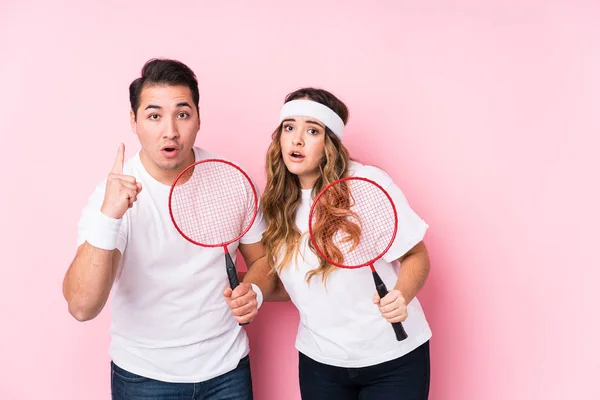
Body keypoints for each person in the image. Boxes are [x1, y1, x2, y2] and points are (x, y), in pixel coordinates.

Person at [62, 58, 266, 400]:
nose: (170, 130)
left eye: (182, 114)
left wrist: (254, 290)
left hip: (228, 371)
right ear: (134, 121)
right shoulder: (110, 196)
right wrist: (109, 216)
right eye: (154, 115)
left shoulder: (232, 178)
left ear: (198, 118)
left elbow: (265, 262)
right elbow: (82, 307)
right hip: (144, 378)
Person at [243, 88, 432, 399]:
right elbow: (287, 282)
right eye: (289, 127)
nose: (297, 139)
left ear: (329, 143)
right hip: (321, 362)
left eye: (312, 130)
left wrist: (402, 295)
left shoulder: (367, 185)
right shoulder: (276, 202)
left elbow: (416, 255)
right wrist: (248, 290)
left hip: (393, 358)